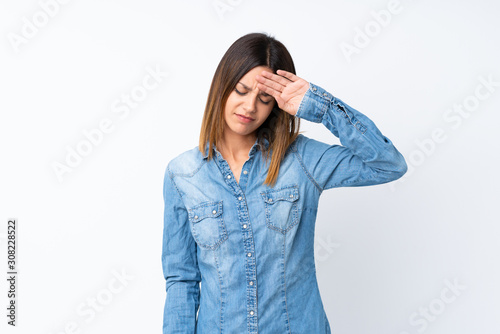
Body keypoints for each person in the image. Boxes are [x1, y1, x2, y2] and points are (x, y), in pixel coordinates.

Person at [161, 32, 407, 334]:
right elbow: (182, 280)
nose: (250, 106)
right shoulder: (182, 174)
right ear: (222, 87)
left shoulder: (302, 160)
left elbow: (388, 164)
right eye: (241, 90)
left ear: (275, 105)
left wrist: (321, 106)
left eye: (264, 98)